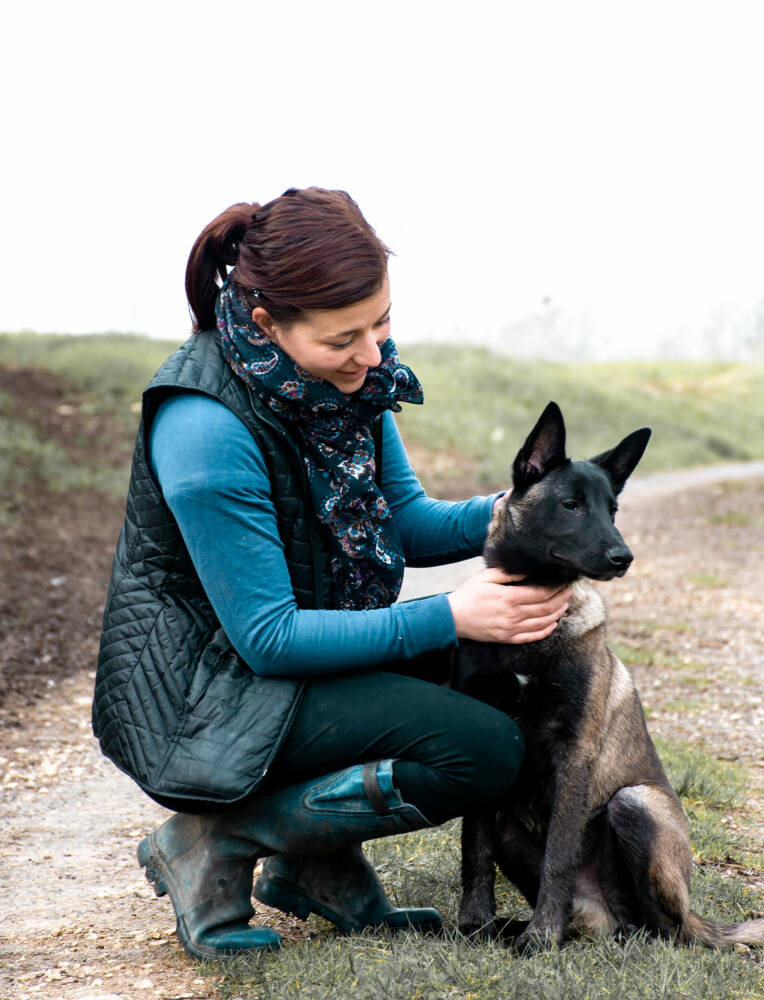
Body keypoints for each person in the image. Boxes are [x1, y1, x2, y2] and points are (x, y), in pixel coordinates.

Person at [92, 187, 571, 961]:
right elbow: (269, 639)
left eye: (382, 321)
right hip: (204, 699)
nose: (375, 353)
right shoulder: (205, 428)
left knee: (488, 680)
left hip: (284, 670)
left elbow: (406, 521)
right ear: (266, 326)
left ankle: (313, 868)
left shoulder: (347, 385)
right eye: (345, 336)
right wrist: (452, 614)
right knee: (482, 749)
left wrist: (522, 513)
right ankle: (217, 838)